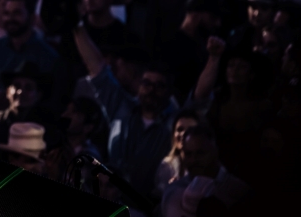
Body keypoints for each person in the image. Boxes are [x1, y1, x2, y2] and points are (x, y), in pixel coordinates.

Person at [72, 21, 176, 197]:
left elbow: (200, 99)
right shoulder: (122, 107)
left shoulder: (174, 123)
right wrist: (76, 24)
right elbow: (96, 67)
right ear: (140, 85)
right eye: (147, 84)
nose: (152, 90)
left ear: (168, 91)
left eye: (159, 86)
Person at [161, 125, 250, 216]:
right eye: (188, 154)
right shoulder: (172, 192)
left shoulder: (237, 191)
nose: (193, 160)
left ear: (215, 151)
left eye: (200, 153)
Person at [0, 0, 60, 96]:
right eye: (6, 14)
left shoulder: (47, 56)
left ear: (32, 18)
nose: (10, 19)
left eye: (17, 13)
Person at [154, 109, 200, 198]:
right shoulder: (166, 166)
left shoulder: (208, 164)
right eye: (180, 129)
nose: (183, 134)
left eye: (190, 130)